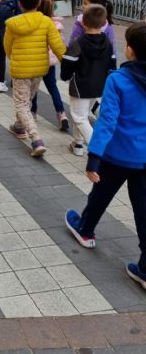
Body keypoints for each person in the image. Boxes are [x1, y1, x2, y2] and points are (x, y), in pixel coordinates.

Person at [65, 23, 146, 290]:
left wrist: (94, 156)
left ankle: (86, 231)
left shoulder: (119, 80)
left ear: (130, 50)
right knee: (144, 209)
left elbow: (107, 121)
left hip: (116, 155)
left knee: (100, 195)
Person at [4, 0, 66, 157]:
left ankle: (36, 138)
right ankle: (19, 126)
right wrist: (67, 63)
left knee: (22, 103)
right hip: (40, 68)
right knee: (27, 100)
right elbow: (58, 46)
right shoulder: (46, 22)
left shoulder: (13, 24)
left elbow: (7, 46)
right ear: (39, 3)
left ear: (19, 4)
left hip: (20, 69)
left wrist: (14, 59)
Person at [61, 4, 117, 156]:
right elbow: (112, 63)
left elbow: (68, 62)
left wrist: (64, 76)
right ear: (104, 22)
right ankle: (78, 145)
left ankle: (97, 148)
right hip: (99, 85)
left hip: (81, 86)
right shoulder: (108, 43)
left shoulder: (78, 43)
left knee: (79, 117)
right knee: (84, 114)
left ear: (83, 22)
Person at [30, 0, 69, 131]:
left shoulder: (35, 23)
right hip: (50, 62)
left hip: (37, 60)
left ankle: (33, 113)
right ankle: (62, 114)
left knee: (33, 88)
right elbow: (61, 43)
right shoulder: (56, 25)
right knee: (53, 87)